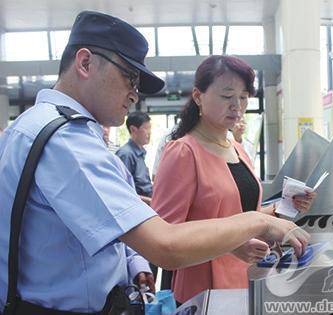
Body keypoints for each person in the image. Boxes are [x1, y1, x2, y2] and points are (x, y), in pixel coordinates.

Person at [0, 11, 308, 314]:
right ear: (85, 63)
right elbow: (166, 244)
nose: (134, 95)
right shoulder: (67, 141)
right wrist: (259, 222)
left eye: (243, 98)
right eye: (129, 78)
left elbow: (83, 224)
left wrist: (132, 263)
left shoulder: (32, 126)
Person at [152, 55, 316, 304]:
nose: (237, 105)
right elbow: (163, 236)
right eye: (227, 96)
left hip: (246, 278)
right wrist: (229, 245)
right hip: (204, 289)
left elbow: (242, 213)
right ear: (198, 96)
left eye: (242, 96)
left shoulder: (237, 149)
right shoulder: (183, 152)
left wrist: (282, 208)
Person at [116, 111, 153, 205]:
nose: (149, 133)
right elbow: (122, 190)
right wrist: (151, 202)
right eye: (146, 128)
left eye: (150, 128)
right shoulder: (126, 154)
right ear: (133, 130)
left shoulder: (140, 153)